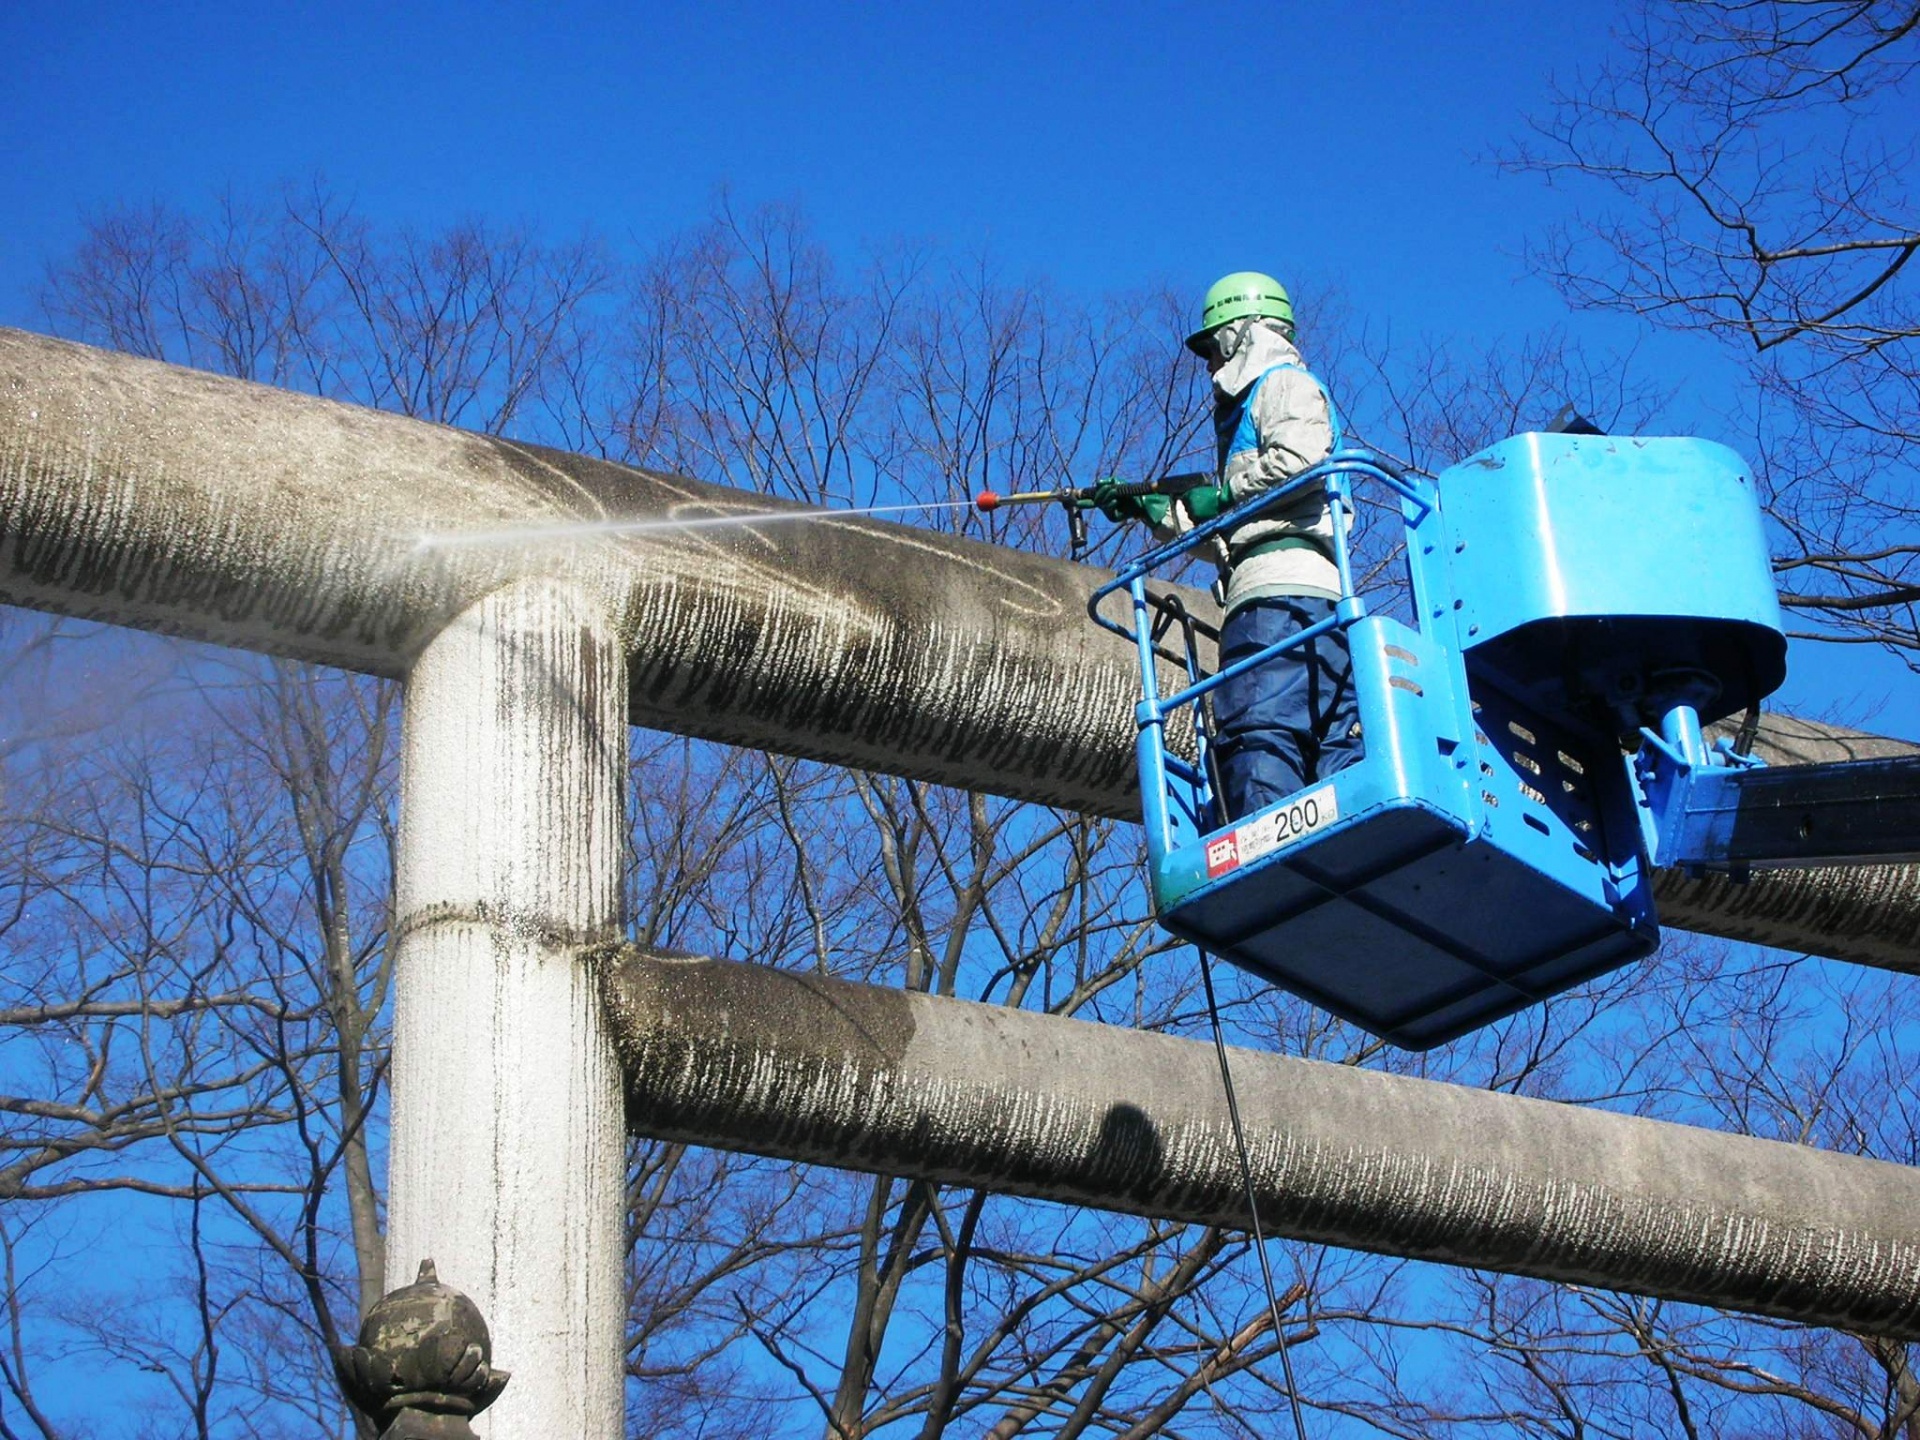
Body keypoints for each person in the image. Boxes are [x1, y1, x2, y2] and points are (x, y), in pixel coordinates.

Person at [1096, 271, 1361, 820]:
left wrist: (1221, 493)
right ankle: (1341, 840)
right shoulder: (1253, 410)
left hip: (1278, 603)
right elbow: (1235, 536)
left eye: (1213, 348)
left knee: (1258, 731)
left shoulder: (1285, 385)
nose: (1211, 365)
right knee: (1326, 741)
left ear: (1243, 333)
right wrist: (1157, 514)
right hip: (1304, 598)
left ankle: (1274, 846)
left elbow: (1301, 460)